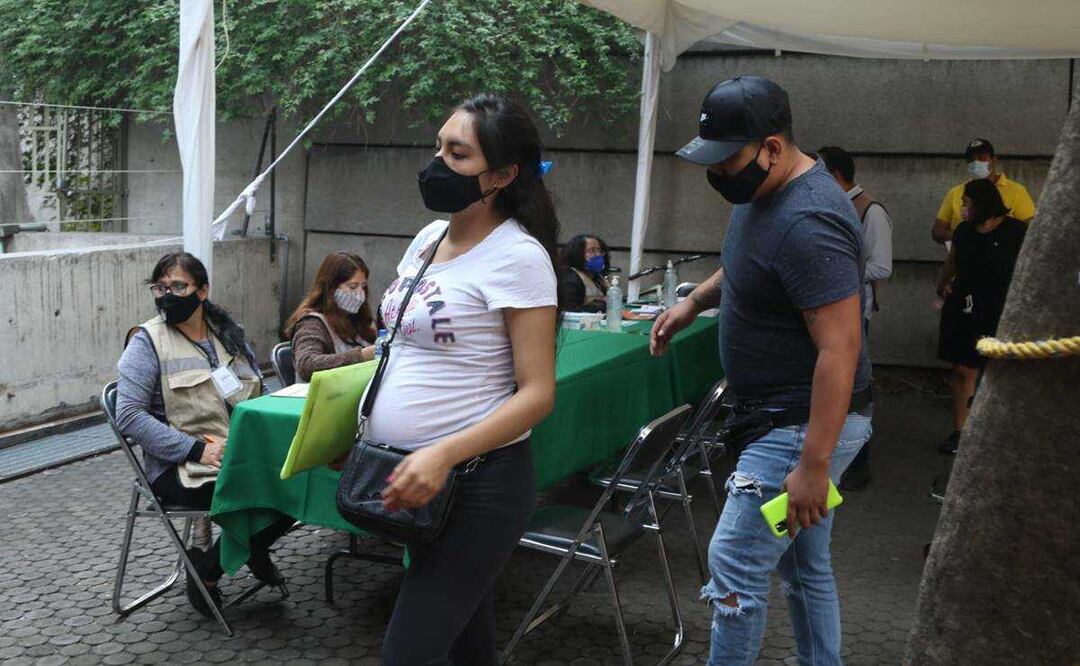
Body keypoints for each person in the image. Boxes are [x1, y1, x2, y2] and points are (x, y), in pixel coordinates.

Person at [651, 75, 872, 665]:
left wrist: (812, 467)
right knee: (804, 566)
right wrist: (694, 301)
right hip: (782, 419)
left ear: (772, 148)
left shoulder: (808, 220)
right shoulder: (766, 196)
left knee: (734, 570)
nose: (719, 174)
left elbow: (840, 348)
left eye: (728, 161)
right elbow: (751, 265)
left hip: (795, 426)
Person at [370, 93, 558, 665]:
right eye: (438, 148)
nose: (436, 165)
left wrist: (443, 453)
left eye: (457, 155)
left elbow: (538, 394)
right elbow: (401, 345)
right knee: (468, 650)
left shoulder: (519, 258)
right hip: (420, 481)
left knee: (406, 656)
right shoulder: (428, 240)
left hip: (478, 487)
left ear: (501, 175)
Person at [115, 252, 295, 617]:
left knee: (302, 476)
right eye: (160, 287)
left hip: (238, 453)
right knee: (276, 493)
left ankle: (228, 556)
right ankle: (212, 572)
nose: (167, 294)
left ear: (202, 291)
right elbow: (129, 416)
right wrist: (195, 450)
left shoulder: (227, 334)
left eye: (178, 286)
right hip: (179, 467)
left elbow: (254, 392)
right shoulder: (147, 342)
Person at [819, 145, 893, 490]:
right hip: (828, 312)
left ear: (836, 175)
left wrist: (836, 269)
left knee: (854, 389)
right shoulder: (832, 204)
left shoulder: (871, 211)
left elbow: (882, 266)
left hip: (853, 313)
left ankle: (858, 462)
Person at [935, 179, 1027, 454]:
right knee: (963, 368)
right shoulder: (964, 231)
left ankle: (997, 432)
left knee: (997, 372)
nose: (962, 208)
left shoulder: (1015, 231)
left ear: (982, 204)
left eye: (967, 203)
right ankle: (961, 432)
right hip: (965, 306)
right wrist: (943, 284)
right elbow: (953, 262)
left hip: (999, 308)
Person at [284, 251, 377, 382]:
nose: (360, 293)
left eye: (363, 286)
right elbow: (307, 365)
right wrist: (361, 356)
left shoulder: (359, 320)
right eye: (352, 286)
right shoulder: (312, 323)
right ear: (331, 287)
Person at [931, 138, 1035, 244]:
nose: (976, 163)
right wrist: (959, 235)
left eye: (981, 158)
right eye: (971, 160)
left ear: (994, 160)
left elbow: (1031, 229)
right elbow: (937, 230)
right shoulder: (956, 192)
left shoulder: (1016, 191)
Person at [558, 233, 611, 312]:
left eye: (599, 250)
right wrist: (602, 305)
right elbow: (570, 310)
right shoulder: (570, 278)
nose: (598, 255)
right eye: (592, 250)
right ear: (577, 253)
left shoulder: (598, 277)